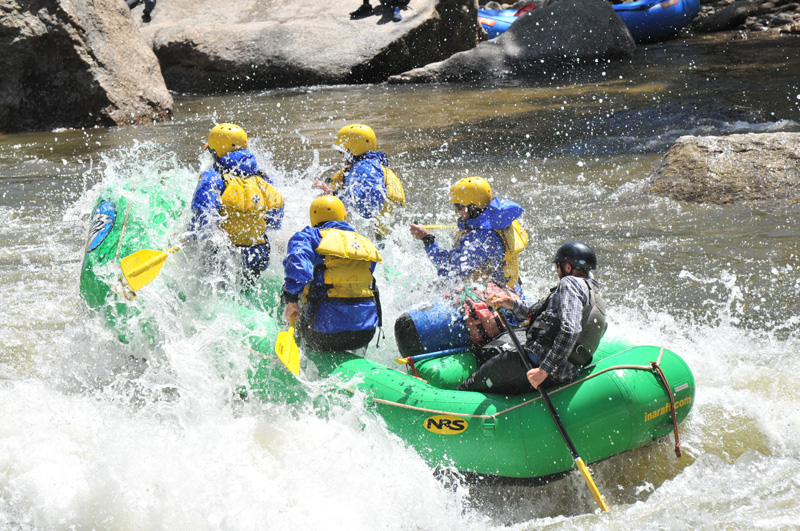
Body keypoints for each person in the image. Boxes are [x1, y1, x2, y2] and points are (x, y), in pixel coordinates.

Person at [457, 241, 608, 394]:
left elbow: (571, 330)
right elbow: (537, 310)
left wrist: (544, 370)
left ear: (568, 267)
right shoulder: (592, 293)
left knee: (481, 376)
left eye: (558, 266)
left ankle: (454, 401)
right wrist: (507, 302)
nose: (557, 270)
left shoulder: (569, 283)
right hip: (567, 370)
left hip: (540, 367)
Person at [281, 196, 383, 352]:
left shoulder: (310, 236)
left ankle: (286, 334)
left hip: (323, 333)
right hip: (365, 333)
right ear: (342, 215)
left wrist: (292, 299)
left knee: (289, 290)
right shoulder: (364, 242)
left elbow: (297, 264)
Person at [190, 123, 284, 283]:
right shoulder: (262, 178)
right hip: (259, 254)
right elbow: (275, 221)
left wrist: (189, 238)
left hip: (223, 256)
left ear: (215, 152)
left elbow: (202, 217)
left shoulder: (212, 177)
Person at [409, 176, 529, 294]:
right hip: (509, 291)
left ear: (472, 207)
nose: (456, 211)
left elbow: (448, 271)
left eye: (458, 207)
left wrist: (427, 239)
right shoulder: (496, 221)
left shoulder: (482, 240)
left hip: (497, 302)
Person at [313, 124, 405, 239]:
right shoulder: (369, 167)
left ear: (350, 150)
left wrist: (333, 195)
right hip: (377, 239)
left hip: (371, 242)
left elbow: (367, 207)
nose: (341, 157)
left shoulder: (366, 168)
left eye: (341, 152)